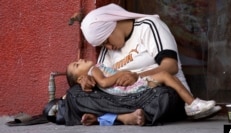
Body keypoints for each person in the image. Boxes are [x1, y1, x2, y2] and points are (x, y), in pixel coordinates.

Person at [77, 3, 221, 125]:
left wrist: (136, 77)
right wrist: (89, 81)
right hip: (127, 99)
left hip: (157, 93)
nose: (108, 47)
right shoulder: (107, 51)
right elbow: (103, 83)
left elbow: (170, 66)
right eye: (103, 45)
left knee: (162, 97)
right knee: (74, 95)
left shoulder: (148, 26)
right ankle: (126, 117)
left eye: (107, 41)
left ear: (112, 25)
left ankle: (113, 117)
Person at [66, 59, 215, 117]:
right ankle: (192, 104)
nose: (80, 60)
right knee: (165, 75)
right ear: (80, 78)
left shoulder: (94, 69)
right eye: (77, 65)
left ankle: (192, 105)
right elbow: (104, 83)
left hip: (128, 86)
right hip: (127, 89)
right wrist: (122, 74)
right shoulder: (94, 69)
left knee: (167, 76)